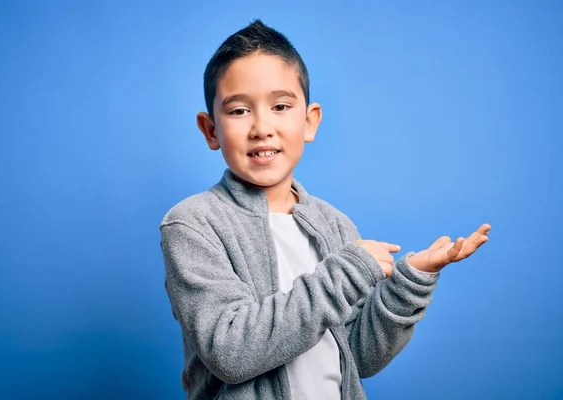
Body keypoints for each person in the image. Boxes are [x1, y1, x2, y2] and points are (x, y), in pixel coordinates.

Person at [159, 19, 490, 400]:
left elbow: (357, 355)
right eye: (238, 111)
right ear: (211, 130)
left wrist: (411, 281)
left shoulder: (333, 224)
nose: (262, 127)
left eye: (281, 106)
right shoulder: (193, 224)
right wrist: (344, 275)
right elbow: (230, 351)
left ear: (309, 121)